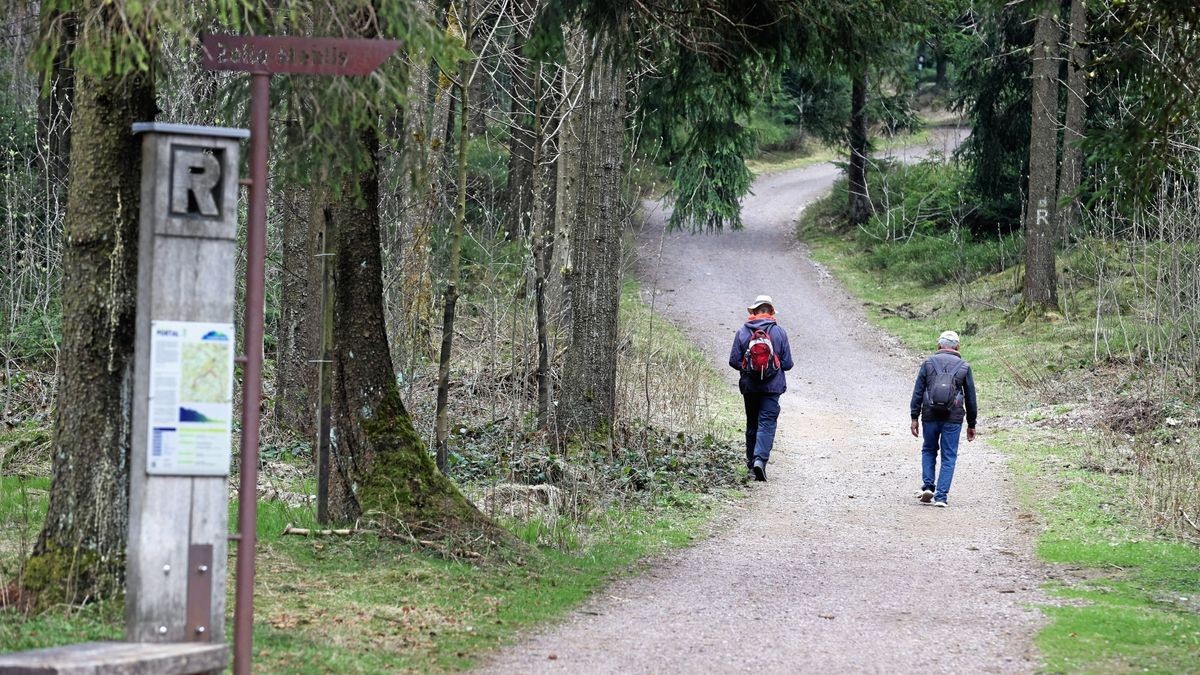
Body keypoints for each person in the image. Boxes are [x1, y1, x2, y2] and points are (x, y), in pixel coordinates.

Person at [728, 295, 793, 482]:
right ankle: (760, 461)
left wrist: (750, 370)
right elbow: (787, 364)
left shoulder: (742, 332)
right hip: (772, 388)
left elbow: (733, 361)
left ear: (754, 312)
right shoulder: (779, 332)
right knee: (767, 423)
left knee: (752, 424)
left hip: (750, 387)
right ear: (771, 312)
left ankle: (750, 465)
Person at [909, 330, 978, 507]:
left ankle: (928, 486)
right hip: (953, 418)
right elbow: (970, 397)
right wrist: (971, 423)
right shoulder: (964, 366)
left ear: (939, 345)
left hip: (930, 415)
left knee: (929, 450)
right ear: (958, 347)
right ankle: (941, 497)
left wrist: (914, 417)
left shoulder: (928, 363)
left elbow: (918, 391)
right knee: (949, 456)